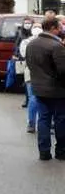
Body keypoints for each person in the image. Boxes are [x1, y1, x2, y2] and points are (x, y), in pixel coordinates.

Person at [24, 17, 65, 161]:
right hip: (57, 90)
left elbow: (29, 65)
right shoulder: (56, 46)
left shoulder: (31, 44)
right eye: (59, 26)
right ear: (53, 28)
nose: (61, 29)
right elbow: (62, 70)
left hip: (38, 88)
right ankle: (61, 151)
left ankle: (44, 152)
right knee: (60, 120)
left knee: (43, 119)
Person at [19, 22, 43, 133]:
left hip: (46, 74)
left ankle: (46, 122)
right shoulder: (26, 42)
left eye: (39, 27)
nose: (37, 29)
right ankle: (31, 123)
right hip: (31, 73)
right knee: (33, 98)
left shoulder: (48, 41)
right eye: (35, 27)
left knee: (45, 99)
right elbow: (25, 55)